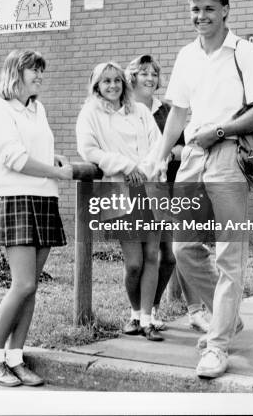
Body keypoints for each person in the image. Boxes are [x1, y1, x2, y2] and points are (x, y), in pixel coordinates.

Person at [151, 0, 253, 378]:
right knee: (184, 246)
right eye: (195, 10)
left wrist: (220, 130)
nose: (200, 16)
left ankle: (217, 345)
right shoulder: (187, 55)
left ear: (225, 10)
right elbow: (179, 114)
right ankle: (228, 317)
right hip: (192, 157)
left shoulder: (247, 53)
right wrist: (159, 154)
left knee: (229, 253)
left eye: (208, 9)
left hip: (228, 156)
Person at [0, 49, 73, 387]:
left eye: (41, 71)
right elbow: (14, 158)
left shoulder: (38, 109)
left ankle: (16, 358)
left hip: (44, 199)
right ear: (15, 73)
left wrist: (54, 158)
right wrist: (55, 171)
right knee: (23, 284)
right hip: (17, 200)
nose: (39, 76)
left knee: (30, 289)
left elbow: (35, 148)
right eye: (34, 70)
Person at [76, 61, 163, 341]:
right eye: (106, 81)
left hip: (149, 187)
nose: (112, 85)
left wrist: (145, 170)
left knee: (153, 255)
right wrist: (126, 166)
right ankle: (135, 312)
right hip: (119, 190)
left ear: (124, 83)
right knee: (134, 262)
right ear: (97, 86)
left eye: (117, 80)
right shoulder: (90, 113)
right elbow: (89, 149)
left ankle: (148, 319)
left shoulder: (139, 110)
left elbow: (158, 144)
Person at [125, 54, 185, 330]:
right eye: (144, 73)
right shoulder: (123, 109)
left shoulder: (167, 111)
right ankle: (136, 313)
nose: (150, 78)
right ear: (133, 76)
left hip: (165, 189)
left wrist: (169, 153)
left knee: (169, 256)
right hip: (134, 192)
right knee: (137, 261)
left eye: (154, 74)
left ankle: (153, 307)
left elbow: (186, 149)